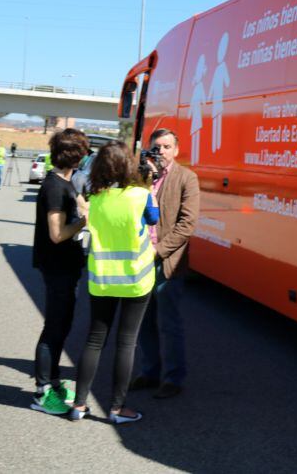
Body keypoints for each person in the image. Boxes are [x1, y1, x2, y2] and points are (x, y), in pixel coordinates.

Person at [69, 141, 159, 424]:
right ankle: (118, 409)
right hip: (136, 279)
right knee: (126, 343)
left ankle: (79, 405)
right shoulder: (139, 195)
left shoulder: (95, 200)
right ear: (127, 166)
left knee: (94, 341)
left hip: (102, 280)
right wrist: (148, 185)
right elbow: (153, 219)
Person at [129, 128, 199, 399]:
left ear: (176, 150)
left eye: (167, 147)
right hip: (139, 259)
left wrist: (158, 251)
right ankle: (149, 372)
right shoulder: (140, 177)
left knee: (169, 322)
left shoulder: (186, 178)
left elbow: (187, 224)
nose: (162, 152)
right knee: (143, 321)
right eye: (157, 147)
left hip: (166, 262)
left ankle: (173, 378)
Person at [30, 129, 90, 415]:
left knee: (63, 324)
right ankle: (43, 392)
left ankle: (53, 382)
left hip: (66, 266)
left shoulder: (65, 183)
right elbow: (56, 234)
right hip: (56, 266)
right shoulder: (55, 187)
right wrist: (83, 222)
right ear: (75, 154)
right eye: (84, 150)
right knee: (54, 326)